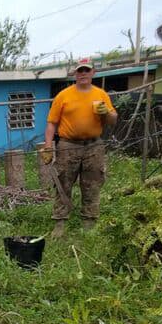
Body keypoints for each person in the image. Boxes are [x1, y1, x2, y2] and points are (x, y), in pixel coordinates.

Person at [41, 57, 118, 238]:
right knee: (63, 183)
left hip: (94, 145)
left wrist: (107, 112)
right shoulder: (64, 95)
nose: (83, 73)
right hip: (68, 145)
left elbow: (113, 120)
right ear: (75, 73)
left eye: (86, 70)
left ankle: (89, 224)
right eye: (80, 71)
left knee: (92, 184)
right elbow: (52, 123)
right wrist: (47, 147)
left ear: (93, 73)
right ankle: (59, 224)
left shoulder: (101, 95)